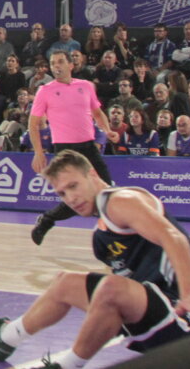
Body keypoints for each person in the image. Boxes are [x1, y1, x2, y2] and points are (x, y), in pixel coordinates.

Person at [0, 149, 190, 368]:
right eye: (62, 193)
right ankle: (5, 336)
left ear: (93, 174)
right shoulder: (101, 238)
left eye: (74, 186)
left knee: (110, 289)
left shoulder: (120, 201)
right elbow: (124, 293)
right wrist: (105, 322)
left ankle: (67, 365)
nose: (70, 198)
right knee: (66, 283)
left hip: (189, 320)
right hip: (156, 315)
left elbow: (173, 238)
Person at [28, 50, 120, 246]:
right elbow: (32, 124)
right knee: (75, 194)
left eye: (60, 62)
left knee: (105, 190)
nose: (56, 66)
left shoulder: (86, 86)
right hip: (65, 149)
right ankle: (47, 220)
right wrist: (38, 152)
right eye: (53, 63)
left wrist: (108, 130)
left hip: (88, 146)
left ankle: (114, 235)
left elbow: (97, 112)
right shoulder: (45, 90)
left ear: (71, 65)